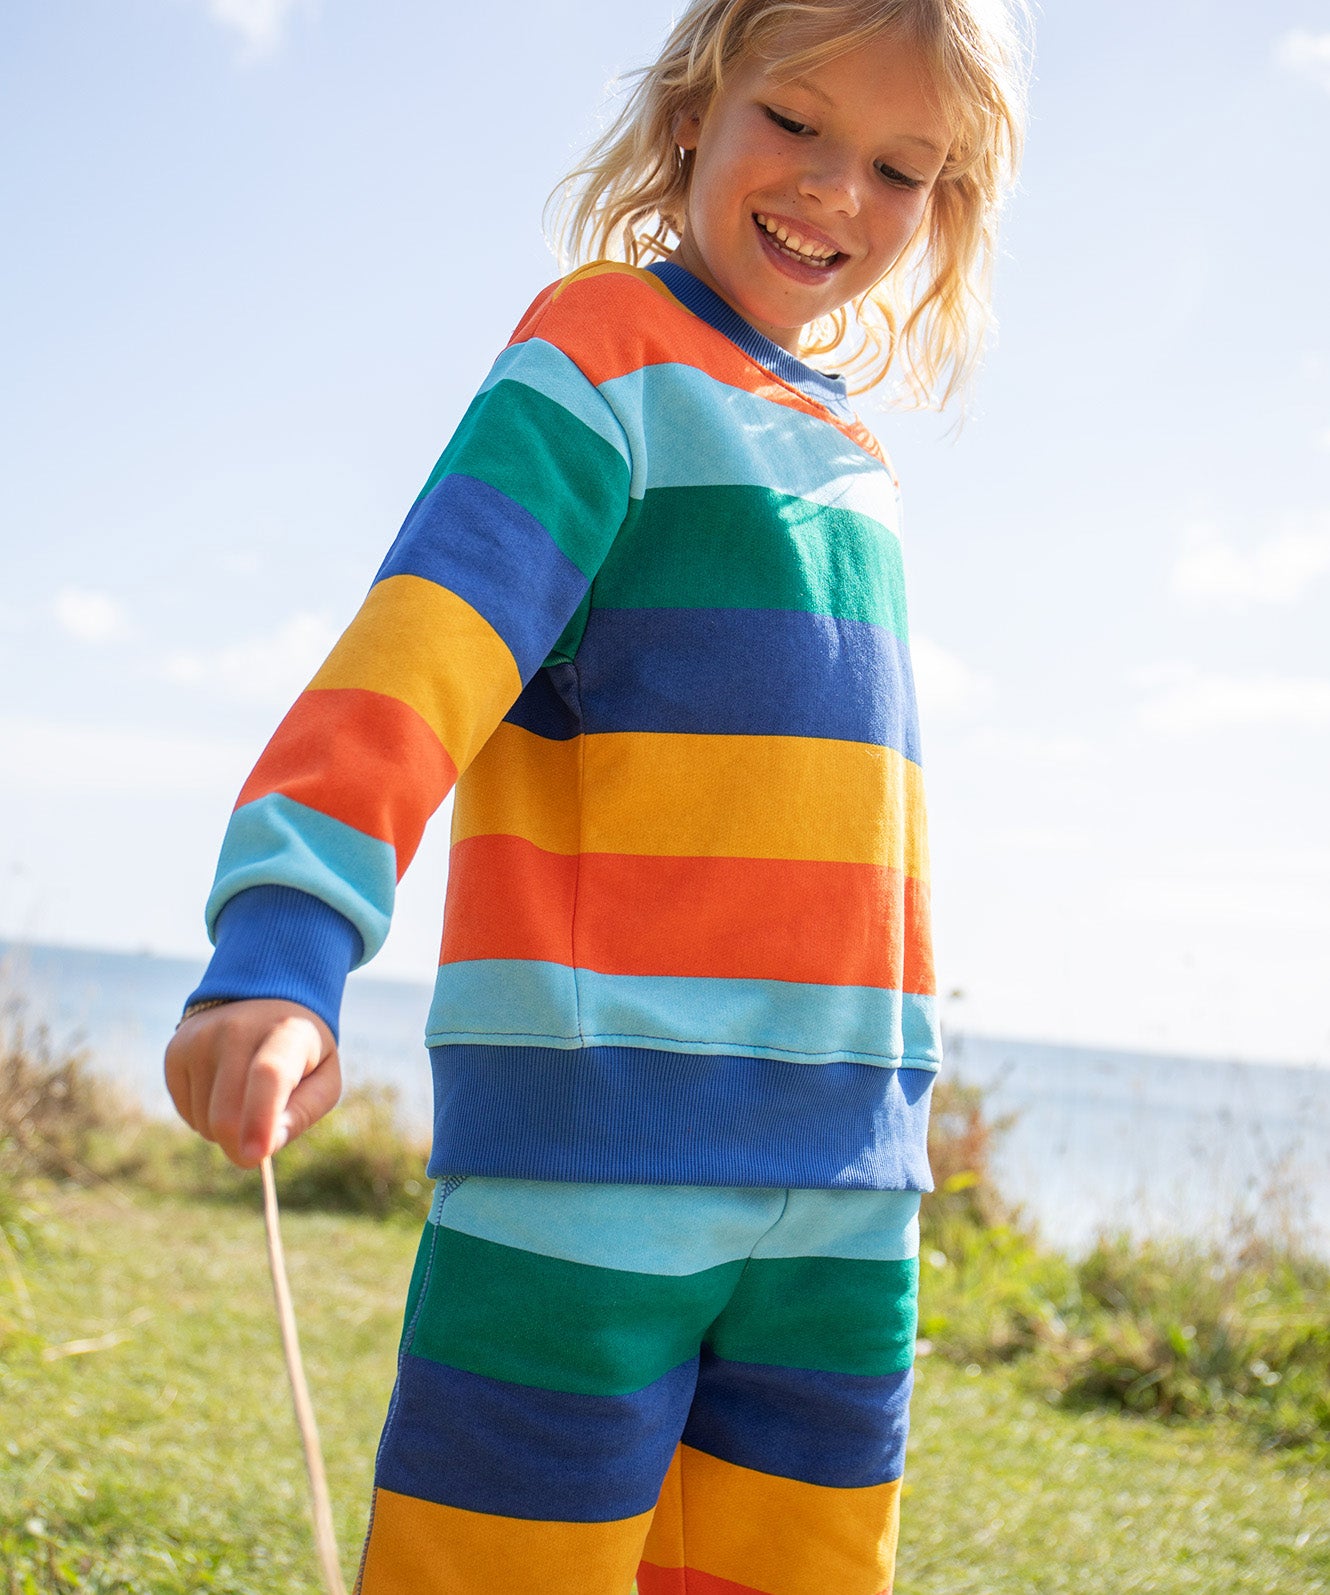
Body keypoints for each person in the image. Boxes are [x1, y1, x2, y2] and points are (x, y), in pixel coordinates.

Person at [164, 1, 1028, 1589]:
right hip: (594, 1164)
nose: (837, 190)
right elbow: (419, 656)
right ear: (695, 109)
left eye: (903, 167)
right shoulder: (600, 353)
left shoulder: (849, 451)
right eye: (796, 125)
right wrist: (284, 951)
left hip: (848, 1190)